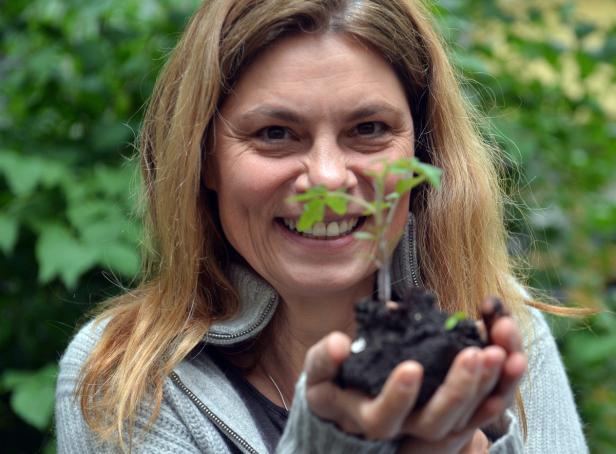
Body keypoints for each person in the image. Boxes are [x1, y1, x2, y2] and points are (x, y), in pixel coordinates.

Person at [55, 1, 589, 453]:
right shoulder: (124, 377)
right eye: (275, 133)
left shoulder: (494, 326)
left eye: (369, 129)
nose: (329, 179)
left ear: (421, 149)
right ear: (204, 158)